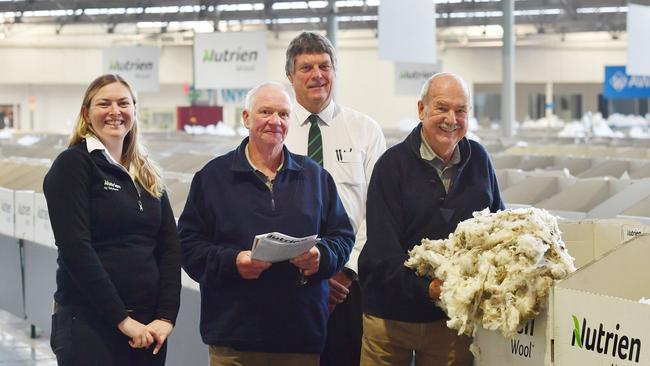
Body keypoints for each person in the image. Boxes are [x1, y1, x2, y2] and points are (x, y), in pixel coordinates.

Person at [178, 82, 355, 366]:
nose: (275, 121)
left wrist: (321, 257)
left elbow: (342, 236)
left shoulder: (315, 178)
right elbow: (188, 246)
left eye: (283, 114)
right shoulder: (213, 178)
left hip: (300, 336)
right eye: (266, 112)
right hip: (234, 339)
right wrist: (233, 261)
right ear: (246, 118)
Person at [358, 72, 505, 366]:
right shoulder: (392, 165)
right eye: (441, 107)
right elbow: (383, 249)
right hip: (391, 315)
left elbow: (497, 227)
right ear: (421, 110)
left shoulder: (478, 159)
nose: (451, 119)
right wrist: (428, 289)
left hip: (451, 319)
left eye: (460, 110)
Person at [43, 74, 181, 366]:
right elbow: (76, 249)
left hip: (148, 329)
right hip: (90, 322)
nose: (115, 112)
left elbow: (170, 246)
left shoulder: (147, 173)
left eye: (123, 103)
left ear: (134, 110)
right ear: (86, 113)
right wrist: (122, 319)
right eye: (104, 104)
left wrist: (166, 317)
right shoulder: (74, 164)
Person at [283, 31, 386, 366]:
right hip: (289, 282)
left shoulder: (365, 130)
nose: (317, 75)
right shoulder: (275, 131)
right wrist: (310, 270)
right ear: (290, 76)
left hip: (350, 284)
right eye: (306, 67)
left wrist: (343, 269)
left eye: (325, 66)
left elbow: (378, 210)